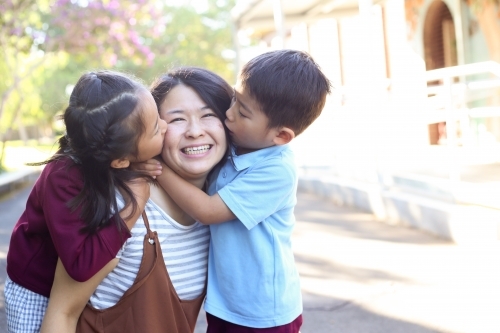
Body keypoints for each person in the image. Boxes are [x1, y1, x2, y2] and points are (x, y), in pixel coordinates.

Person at [40, 67, 233, 333]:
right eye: (176, 119)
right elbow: (63, 313)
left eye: (209, 114)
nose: (195, 131)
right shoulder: (120, 206)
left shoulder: (226, 211)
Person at [154, 50, 332, 332]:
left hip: (262, 313)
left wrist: (156, 168)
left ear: (281, 136)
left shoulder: (276, 170)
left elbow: (208, 210)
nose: (228, 113)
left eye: (242, 112)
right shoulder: (241, 143)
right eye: (235, 99)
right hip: (228, 304)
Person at [4, 70, 168, 333]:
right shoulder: (62, 177)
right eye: (157, 128)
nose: (167, 126)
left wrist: (133, 168)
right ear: (119, 160)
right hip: (36, 288)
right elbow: (80, 266)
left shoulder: (106, 156)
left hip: (79, 295)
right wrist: (135, 203)